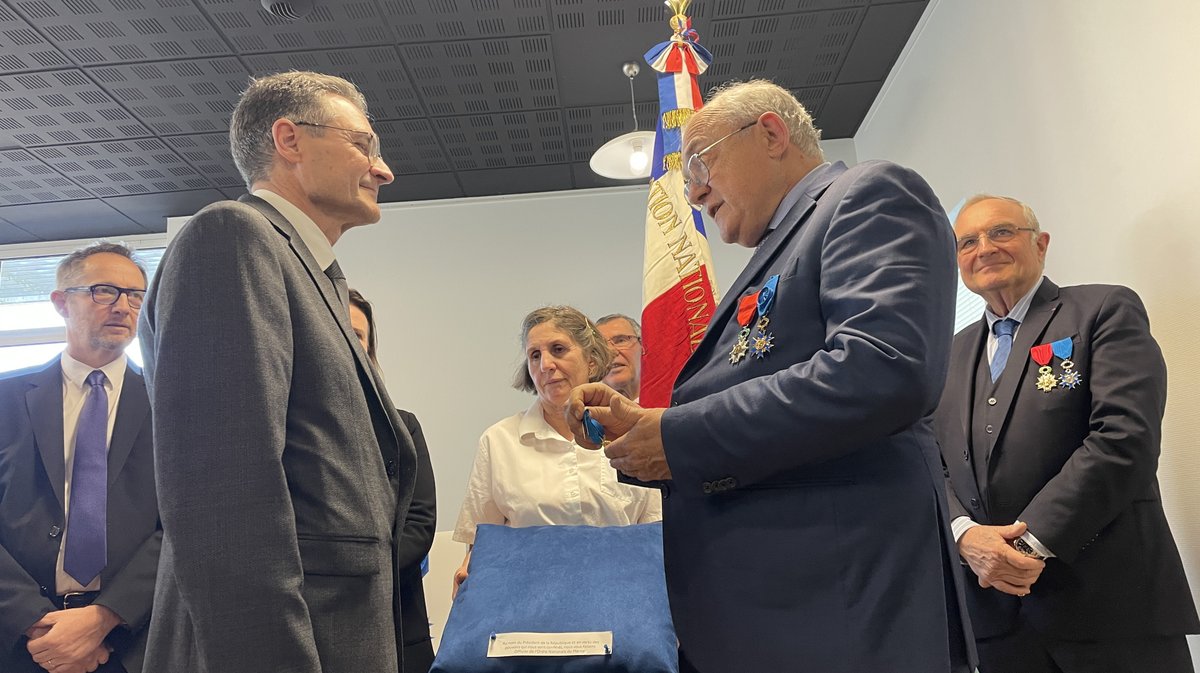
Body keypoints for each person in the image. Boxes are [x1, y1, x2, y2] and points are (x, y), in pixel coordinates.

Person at [566, 80, 974, 673]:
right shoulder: (781, 246)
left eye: (701, 162)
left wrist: (679, 438)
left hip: (839, 614)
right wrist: (646, 430)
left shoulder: (867, 195)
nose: (694, 190)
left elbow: (881, 367)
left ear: (771, 134)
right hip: (780, 618)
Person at [138, 71, 418, 673]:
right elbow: (223, 491)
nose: (383, 168)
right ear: (289, 140)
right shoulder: (233, 237)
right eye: (363, 145)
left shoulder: (317, 274)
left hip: (336, 633)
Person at [933, 194, 1199, 673]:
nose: (984, 249)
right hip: (998, 625)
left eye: (1001, 232)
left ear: (1041, 244)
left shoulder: (1103, 309)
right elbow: (933, 461)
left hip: (1111, 610)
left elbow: (1123, 438)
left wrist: (1023, 545)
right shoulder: (948, 354)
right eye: (967, 242)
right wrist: (965, 536)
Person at [0, 242, 160, 673]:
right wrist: (35, 622)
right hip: (20, 640)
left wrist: (103, 619)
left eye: (136, 295)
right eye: (104, 291)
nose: (123, 306)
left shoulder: (171, 406)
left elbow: (184, 525)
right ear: (60, 302)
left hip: (132, 641)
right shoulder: (5, 398)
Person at [452, 306, 662, 594]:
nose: (545, 364)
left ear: (591, 360)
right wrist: (468, 570)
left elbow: (655, 536)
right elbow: (482, 544)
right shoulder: (499, 441)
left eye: (558, 349)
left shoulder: (633, 434)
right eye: (534, 356)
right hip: (527, 608)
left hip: (620, 599)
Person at [347, 288, 437, 673]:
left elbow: (419, 524)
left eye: (358, 336)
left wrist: (353, 572)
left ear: (370, 352)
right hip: (315, 619)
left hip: (398, 618)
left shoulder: (403, 427)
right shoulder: (287, 431)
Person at [596, 313, 643, 400]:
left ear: (642, 346)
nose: (611, 351)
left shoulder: (670, 404)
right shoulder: (585, 411)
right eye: (601, 346)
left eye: (620, 341)